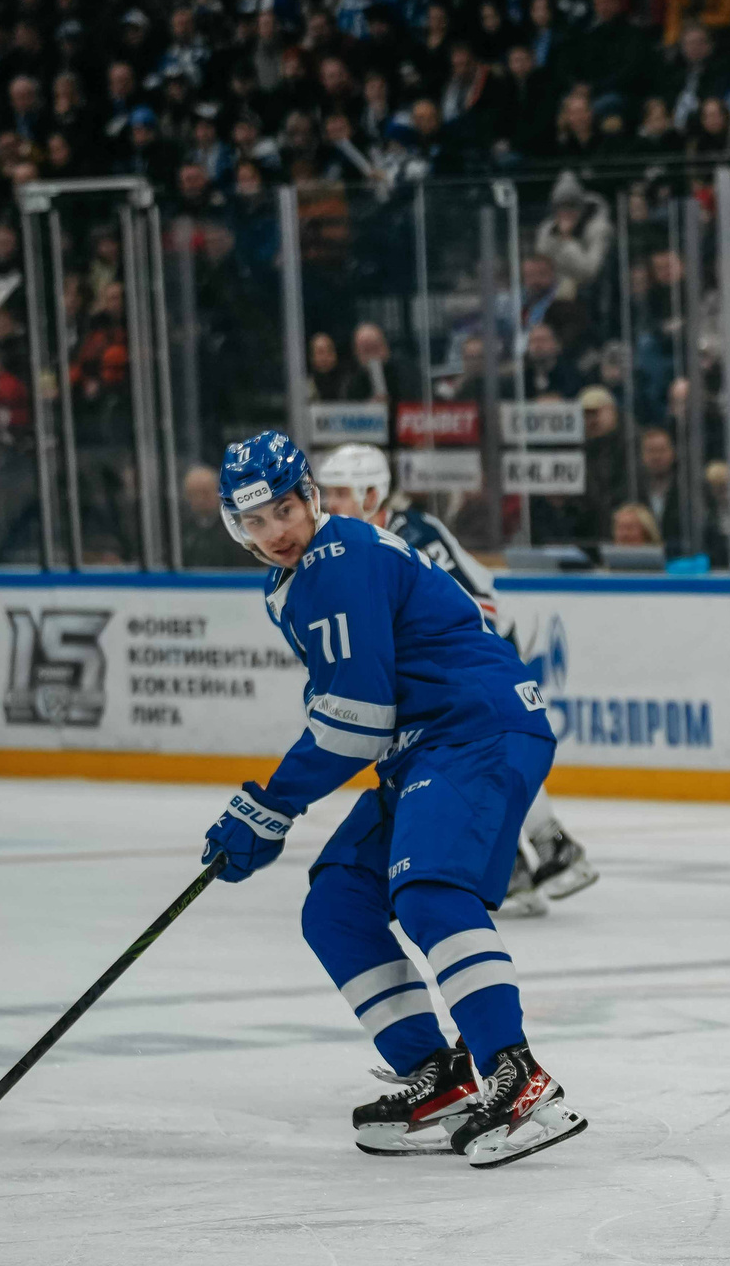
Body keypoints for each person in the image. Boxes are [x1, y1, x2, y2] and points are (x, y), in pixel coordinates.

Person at [203, 432, 587, 1168]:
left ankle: (518, 1074)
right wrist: (271, 804)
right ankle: (437, 1076)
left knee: (427, 889)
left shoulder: (338, 560)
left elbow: (356, 718)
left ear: (309, 496)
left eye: (283, 509)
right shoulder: (295, 582)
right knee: (337, 903)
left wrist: (271, 803)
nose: (274, 531)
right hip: (420, 747)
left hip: (473, 726)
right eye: (255, 521)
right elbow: (351, 710)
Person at [312, 443, 600, 915]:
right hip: (435, 668)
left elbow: (475, 606)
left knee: (479, 751)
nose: (331, 503)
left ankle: (552, 845)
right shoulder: (347, 548)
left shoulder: (416, 536)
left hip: (480, 654)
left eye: (342, 492)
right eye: (328, 492)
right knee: (446, 759)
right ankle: (513, 866)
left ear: (372, 494)